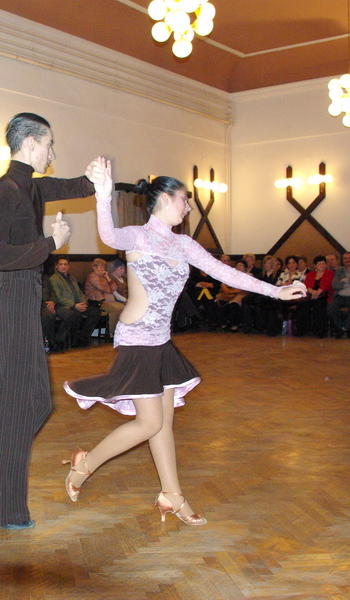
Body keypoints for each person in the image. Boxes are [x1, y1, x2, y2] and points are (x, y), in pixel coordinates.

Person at [62, 162, 306, 524]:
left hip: (161, 341)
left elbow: (225, 272)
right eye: (184, 199)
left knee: (163, 423)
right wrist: (102, 193)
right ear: (163, 198)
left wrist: (276, 291)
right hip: (137, 339)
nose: (188, 206)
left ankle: (172, 495)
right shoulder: (138, 236)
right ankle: (85, 464)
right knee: (149, 423)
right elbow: (108, 234)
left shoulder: (183, 244)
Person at [0, 112, 100, 529]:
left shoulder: (31, 185)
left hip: (26, 300)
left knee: (37, 403)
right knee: (18, 405)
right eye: (49, 144)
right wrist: (52, 243)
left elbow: (73, 186)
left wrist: (98, 177)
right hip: (12, 299)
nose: (53, 152)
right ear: (30, 143)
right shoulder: (8, 188)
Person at [48, 256, 101, 347]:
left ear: (69, 266)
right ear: (56, 266)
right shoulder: (54, 279)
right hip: (65, 306)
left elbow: (80, 292)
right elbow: (58, 297)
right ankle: (72, 340)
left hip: (79, 304)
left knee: (96, 312)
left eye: (65, 264)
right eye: (61, 264)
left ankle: (83, 337)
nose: (63, 266)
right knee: (76, 314)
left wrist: (84, 303)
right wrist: (74, 305)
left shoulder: (72, 278)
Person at [84, 257, 125, 335]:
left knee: (123, 308)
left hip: (109, 300)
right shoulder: (92, 276)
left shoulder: (103, 277)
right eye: (101, 267)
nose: (103, 269)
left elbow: (115, 288)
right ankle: (111, 332)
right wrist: (110, 289)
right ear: (94, 268)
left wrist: (107, 277)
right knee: (116, 309)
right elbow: (102, 287)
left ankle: (117, 331)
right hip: (98, 301)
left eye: (104, 267)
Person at [297, 255, 334, 337]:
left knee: (319, 307)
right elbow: (306, 285)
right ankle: (302, 330)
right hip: (311, 295)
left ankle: (320, 331)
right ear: (315, 265)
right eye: (320, 264)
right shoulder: (311, 274)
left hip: (324, 295)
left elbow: (327, 285)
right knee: (302, 305)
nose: (322, 266)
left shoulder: (329, 273)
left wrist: (317, 292)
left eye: (323, 264)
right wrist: (313, 292)